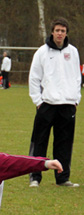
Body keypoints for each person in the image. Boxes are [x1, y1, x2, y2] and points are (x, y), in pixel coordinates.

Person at [28, 17, 81, 188]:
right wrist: (38, 101)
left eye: (63, 31)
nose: (60, 34)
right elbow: (34, 78)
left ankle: (62, 178)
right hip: (47, 105)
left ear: (66, 33)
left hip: (67, 105)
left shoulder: (72, 52)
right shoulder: (42, 52)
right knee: (40, 141)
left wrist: (75, 99)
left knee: (64, 143)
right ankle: (35, 177)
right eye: (57, 30)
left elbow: (76, 77)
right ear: (52, 32)